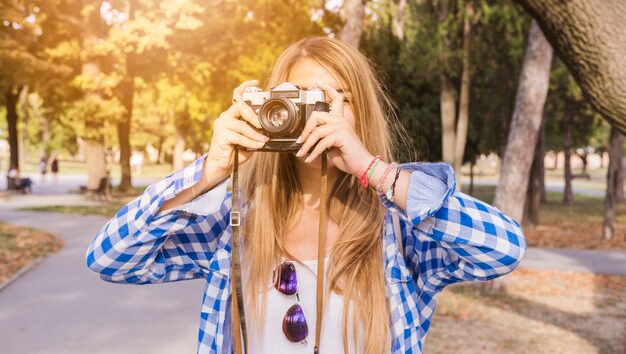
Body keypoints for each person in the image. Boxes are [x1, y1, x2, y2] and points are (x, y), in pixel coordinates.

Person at [86, 37, 526, 354]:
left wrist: (374, 170)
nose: (323, 114)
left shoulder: (395, 226)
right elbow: (111, 258)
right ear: (275, 110)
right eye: (305, 97)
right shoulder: (236, 223)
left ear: (361, 115)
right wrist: (210, 172)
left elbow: (503, 249)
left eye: (342, 100)